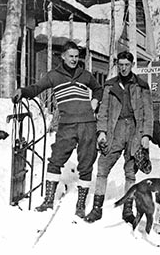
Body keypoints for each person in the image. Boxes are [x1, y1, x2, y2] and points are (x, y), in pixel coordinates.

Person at [12, 40, 103, 218]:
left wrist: (94, 102)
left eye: (77, 57)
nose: (74, 59)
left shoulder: (85, 75)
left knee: (86, 163)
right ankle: (48, 201)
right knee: (55, 161)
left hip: (87, 124)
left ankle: (81, 204)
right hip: (66, 125)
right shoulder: (54, 75)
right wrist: (22, 91)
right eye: (71, 56)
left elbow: (98, 89)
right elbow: (36, 88)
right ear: (63, 56)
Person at [84, 51, 154, 223]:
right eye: (120, 65)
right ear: (117, 65)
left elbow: (148, 113)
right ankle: (96, 209)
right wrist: (101, 132)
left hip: (135, 131)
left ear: (132, 65)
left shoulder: (141, 86)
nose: (123, 68)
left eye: (127, 65)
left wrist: (146, 135)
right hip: (114, 129)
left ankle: (127, 210)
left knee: (130, 172)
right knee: (102, 167)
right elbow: (103, 112)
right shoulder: (109, 86)